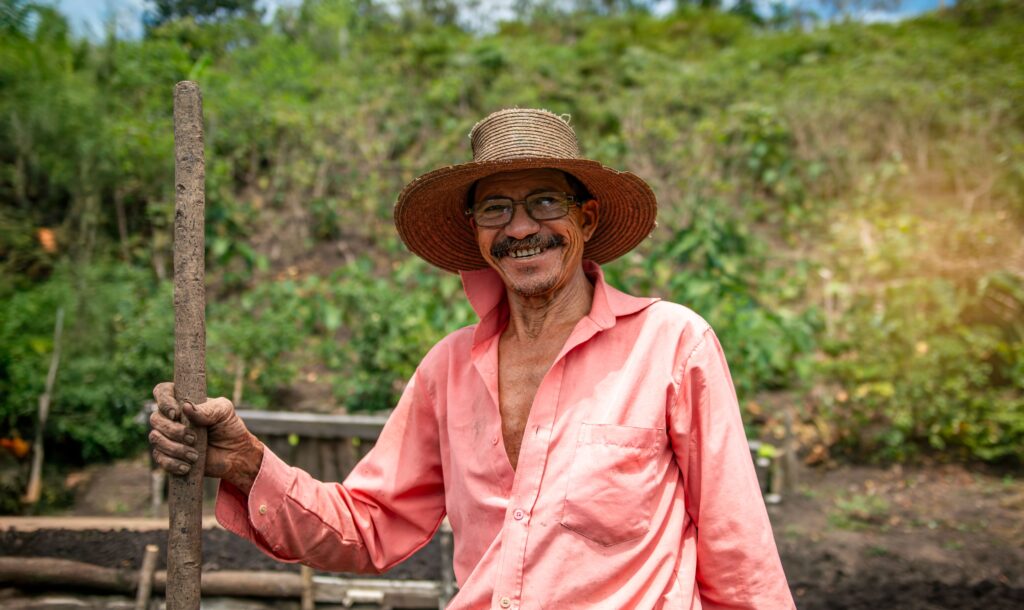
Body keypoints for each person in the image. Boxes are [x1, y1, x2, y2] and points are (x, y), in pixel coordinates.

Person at [149, 108, 795, 608]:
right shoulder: (449, 369)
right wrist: (244, 462)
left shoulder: (673, 343)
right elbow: (371, 526)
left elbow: (737, 547)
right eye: (496, 209)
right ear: (476, 231)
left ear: (587, 218)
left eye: (546, 202)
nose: (520, 228)